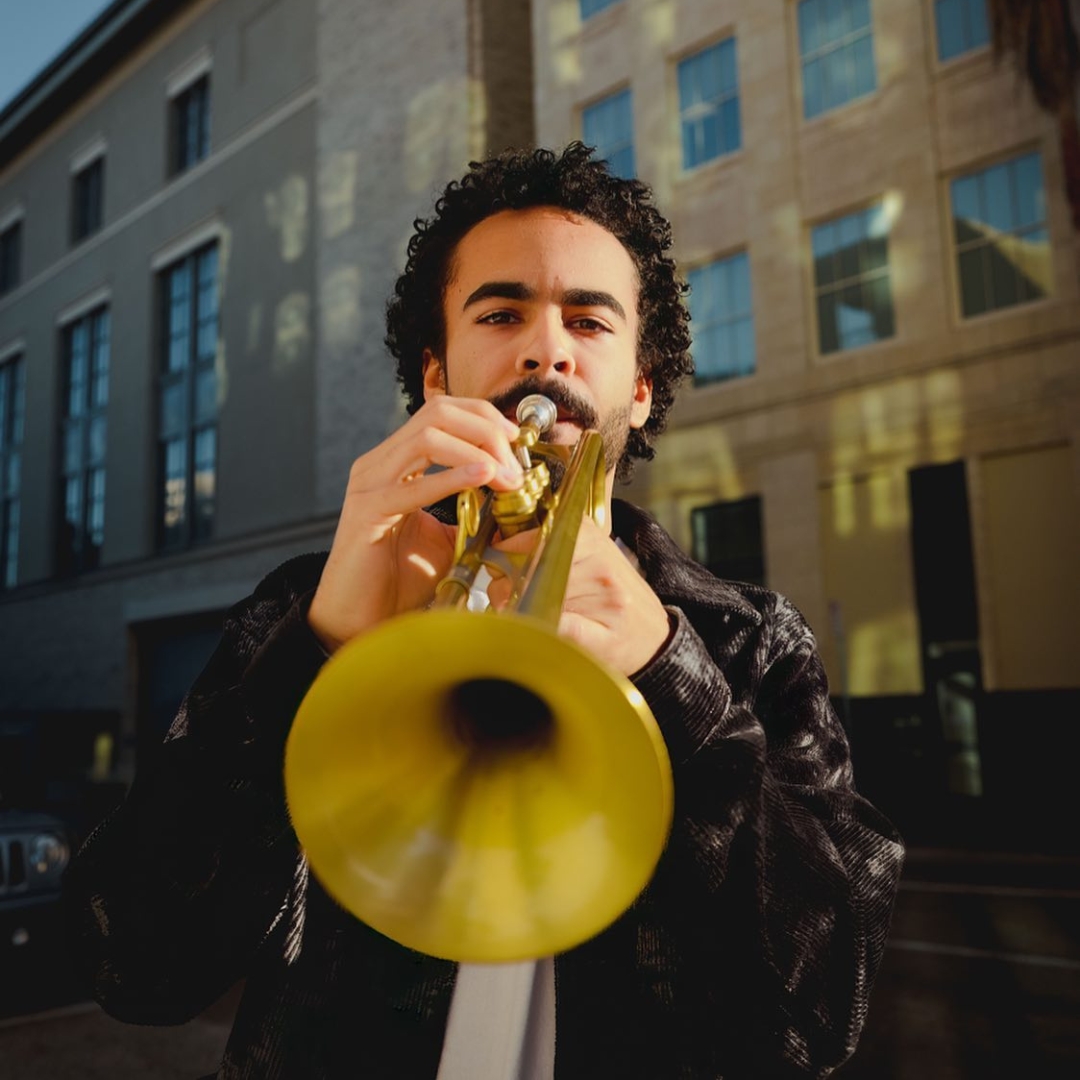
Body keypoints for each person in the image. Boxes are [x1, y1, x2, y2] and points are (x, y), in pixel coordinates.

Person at [65, 143, 904, 1079]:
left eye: (589, 320)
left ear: (640, 386)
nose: (546, 349)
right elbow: (130, 965)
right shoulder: (309, 607)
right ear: (436, 375)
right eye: (501, 312)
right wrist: (315, 650)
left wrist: (671, 673)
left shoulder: (750, 643)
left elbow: (822, 1013)